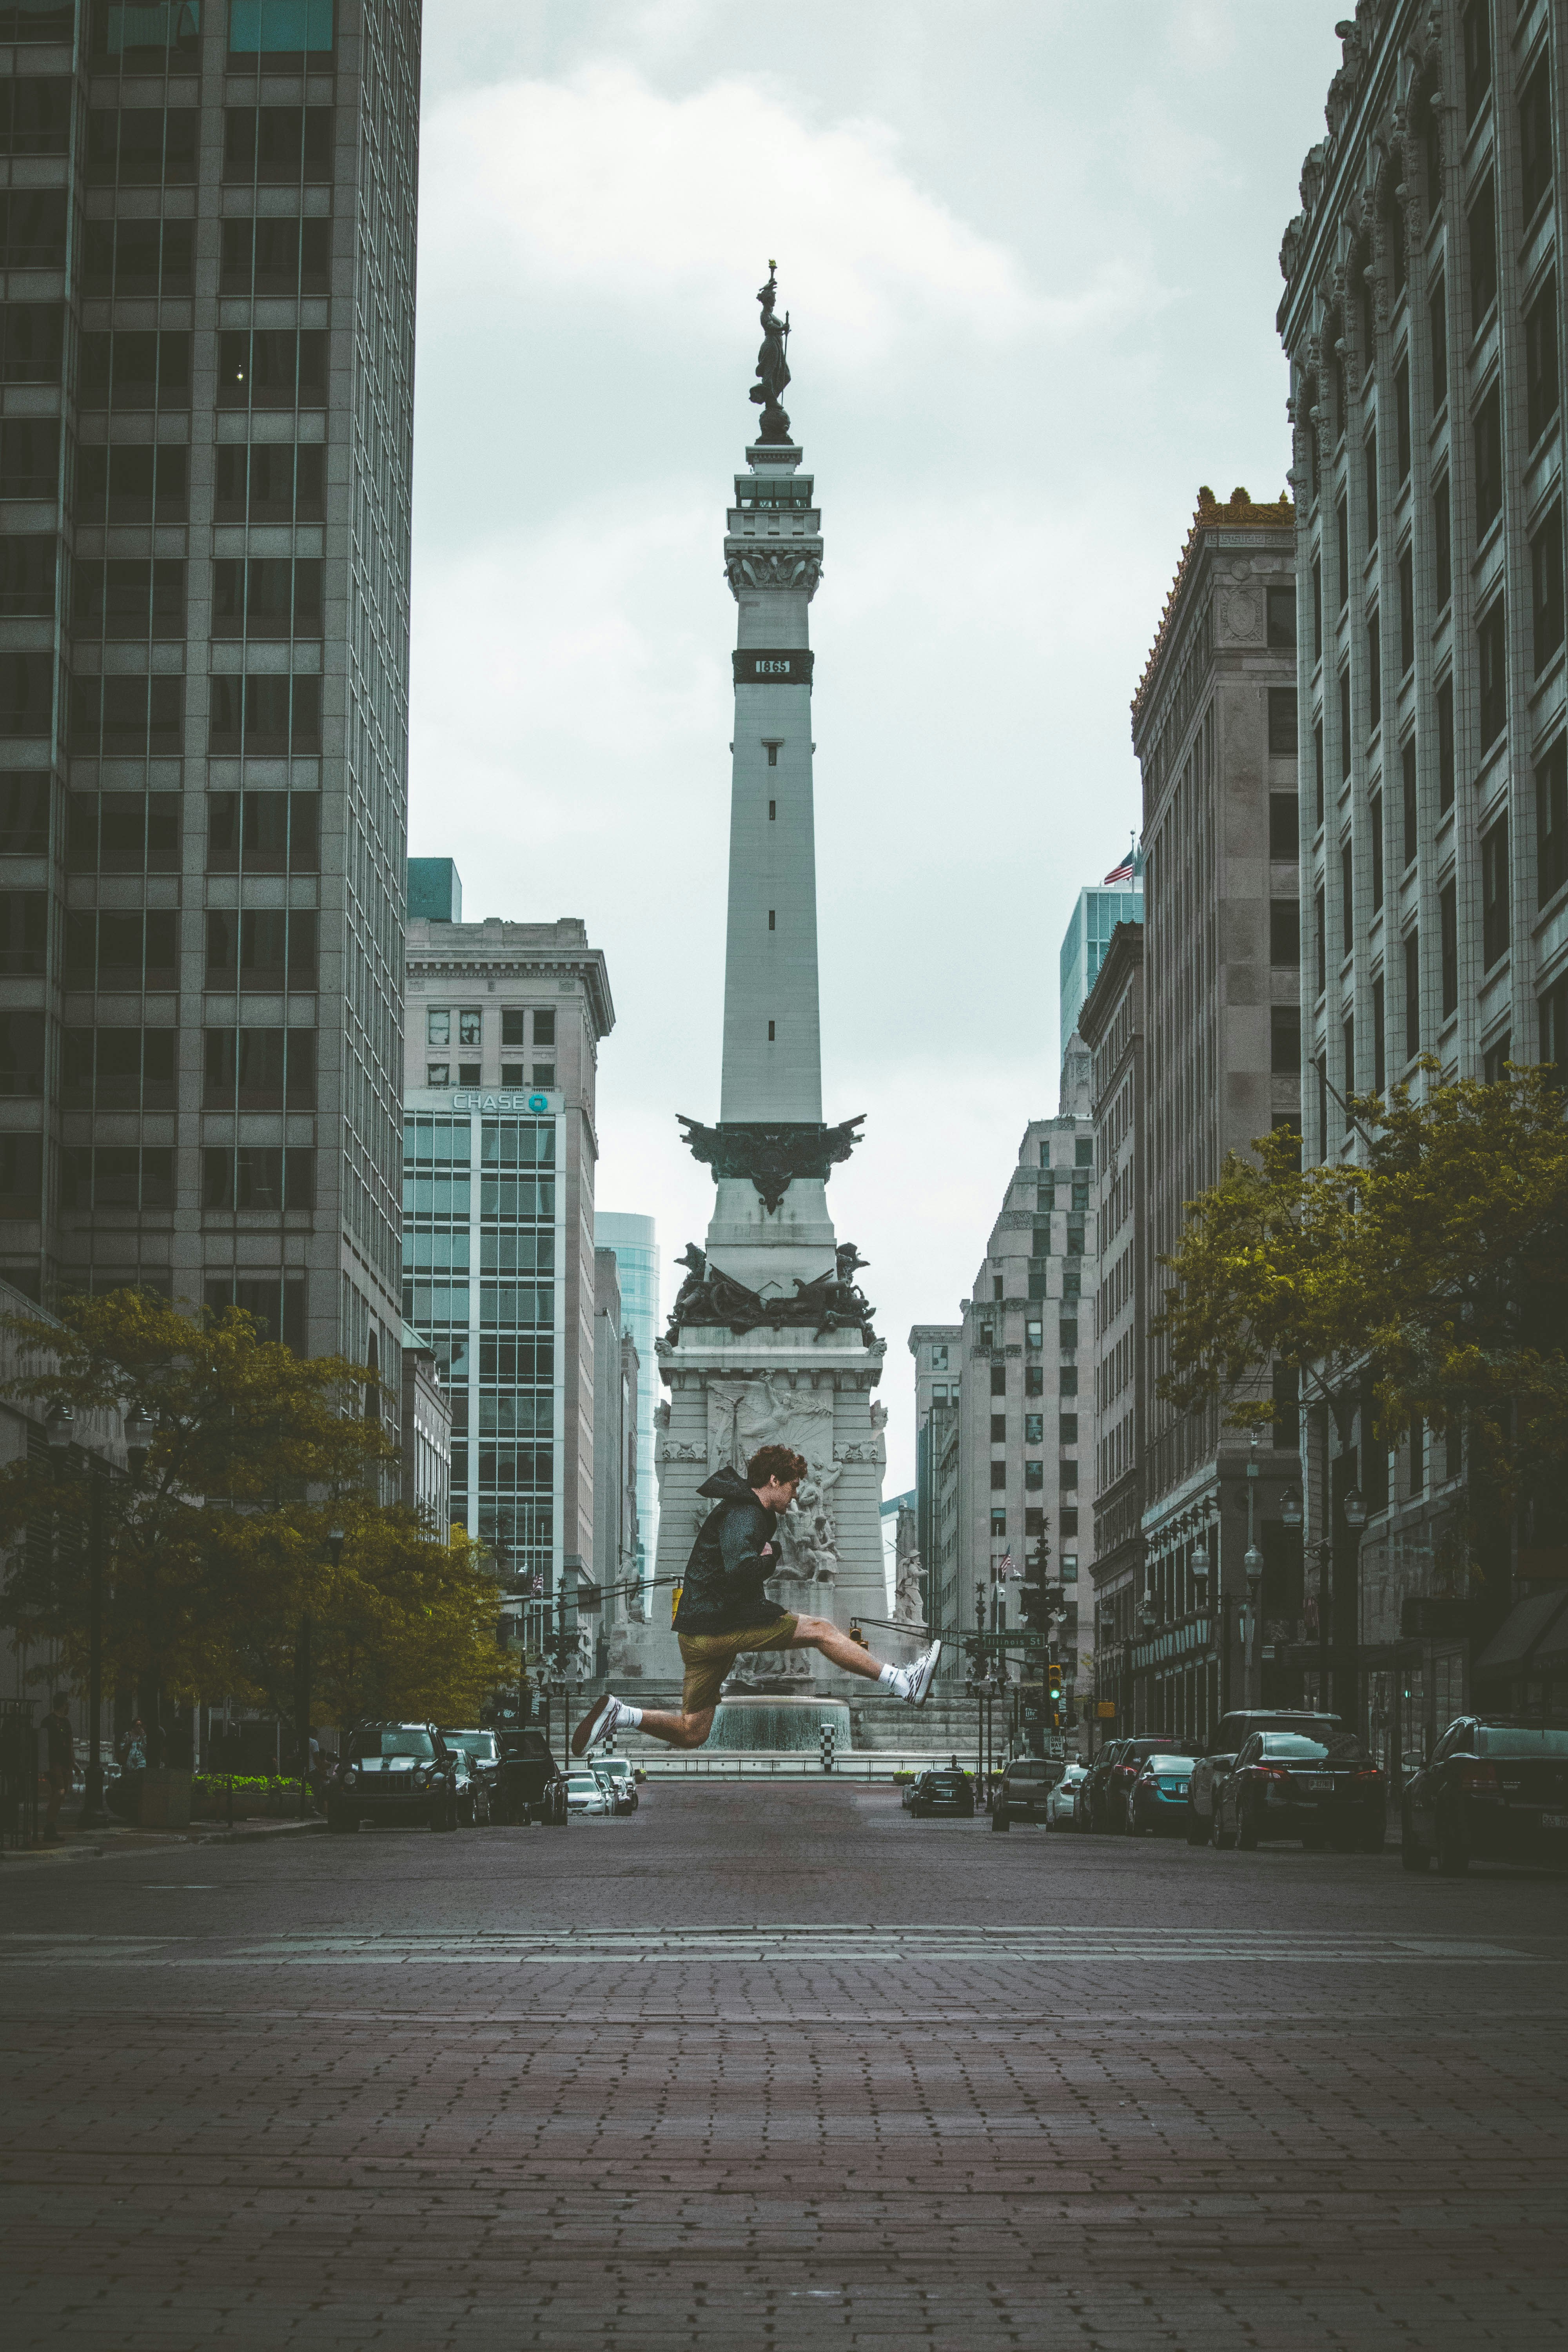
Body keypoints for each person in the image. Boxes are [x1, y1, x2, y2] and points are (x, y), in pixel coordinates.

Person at [573, 1444, 941, 1756]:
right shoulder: (746, 1513)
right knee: (822, 1630)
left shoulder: (746, 1512)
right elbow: (739, 1569)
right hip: (720, 1624)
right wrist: (771, 1556)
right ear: (774, 1481)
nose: (797, 1493)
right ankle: (901, 1681)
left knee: (693, 1732)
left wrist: (768, 1552)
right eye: (793, 1485)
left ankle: (621, 1714)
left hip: (699, 1635)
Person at [40, 1693, 73, 1842]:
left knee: (62, 1795)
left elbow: (70, 1745)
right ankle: (49, 1826)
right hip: (54, 1763)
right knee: (59, 1792)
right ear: (63, 1704)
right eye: (68, 1704)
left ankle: (51, 1826)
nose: (69, 1707)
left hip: (66, 1764)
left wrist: (74, 1764)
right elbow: (44, 1744)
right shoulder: (48, 1721)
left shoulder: (66, 1723)